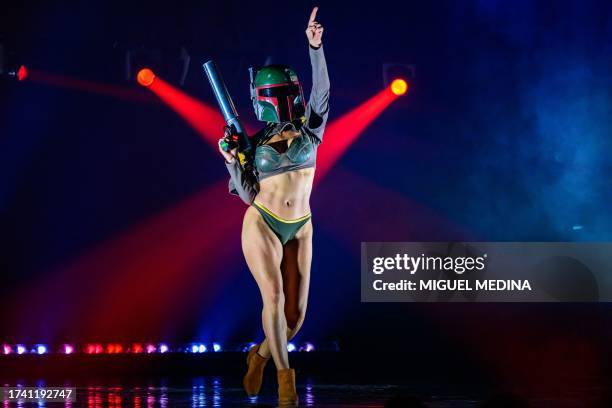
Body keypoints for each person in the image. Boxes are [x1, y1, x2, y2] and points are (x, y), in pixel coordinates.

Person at [217, 6, 329, 406]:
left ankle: (260, 356)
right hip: (262, 221)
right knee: (275, 301)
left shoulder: (310, 128)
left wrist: (314, 48)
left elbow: (322, 93)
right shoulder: (252, 142)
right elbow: (247, 194)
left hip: (301, 224)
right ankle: (287, 386)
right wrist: (232, 160)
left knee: (295, 319)